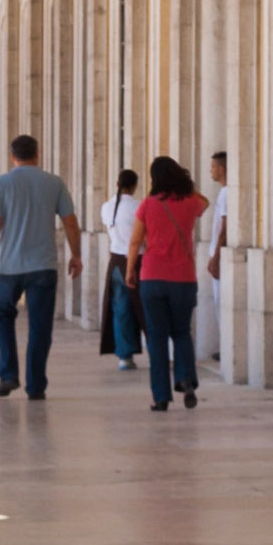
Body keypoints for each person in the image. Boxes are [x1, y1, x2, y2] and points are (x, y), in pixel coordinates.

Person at [0, 134, 82, 400]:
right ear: (37, 154)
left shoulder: (2, 183)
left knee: (3, 316)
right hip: (43, 266)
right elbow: (70, 222)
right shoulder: (54, 183)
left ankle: (8, 374)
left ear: (12, 156)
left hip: (8, 266)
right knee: (40, 325)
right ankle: (36, 385)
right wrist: (76, 254)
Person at [127, 156, 208, 413]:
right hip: (183, 278)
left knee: (157, 337)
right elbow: (205, 202)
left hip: (152, 277)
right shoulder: (191, 202)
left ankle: (161, 397)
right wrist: (185, 184)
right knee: (182, 332)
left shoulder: (147, 205)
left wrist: (130, 270)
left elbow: (135, 241)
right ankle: (185, 379)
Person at [99, 169, 143, 371]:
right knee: (147, 309)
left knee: (121, 310)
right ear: (134, 186)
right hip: (139, 261)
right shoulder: (138, 207)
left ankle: (124, 356)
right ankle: (159, 350)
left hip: (115, 262)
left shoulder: (107, 207)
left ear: (117, 184)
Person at [205, 150, 228, 352]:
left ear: (221, 169)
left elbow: (225, 227)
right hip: (216, 253)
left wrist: (216, 257)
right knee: (218, 303)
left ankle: (226, 349)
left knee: (221, 303)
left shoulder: (227, 193)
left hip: (219, 255)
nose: (210, 171)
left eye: (213, 167)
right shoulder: (223, 192)